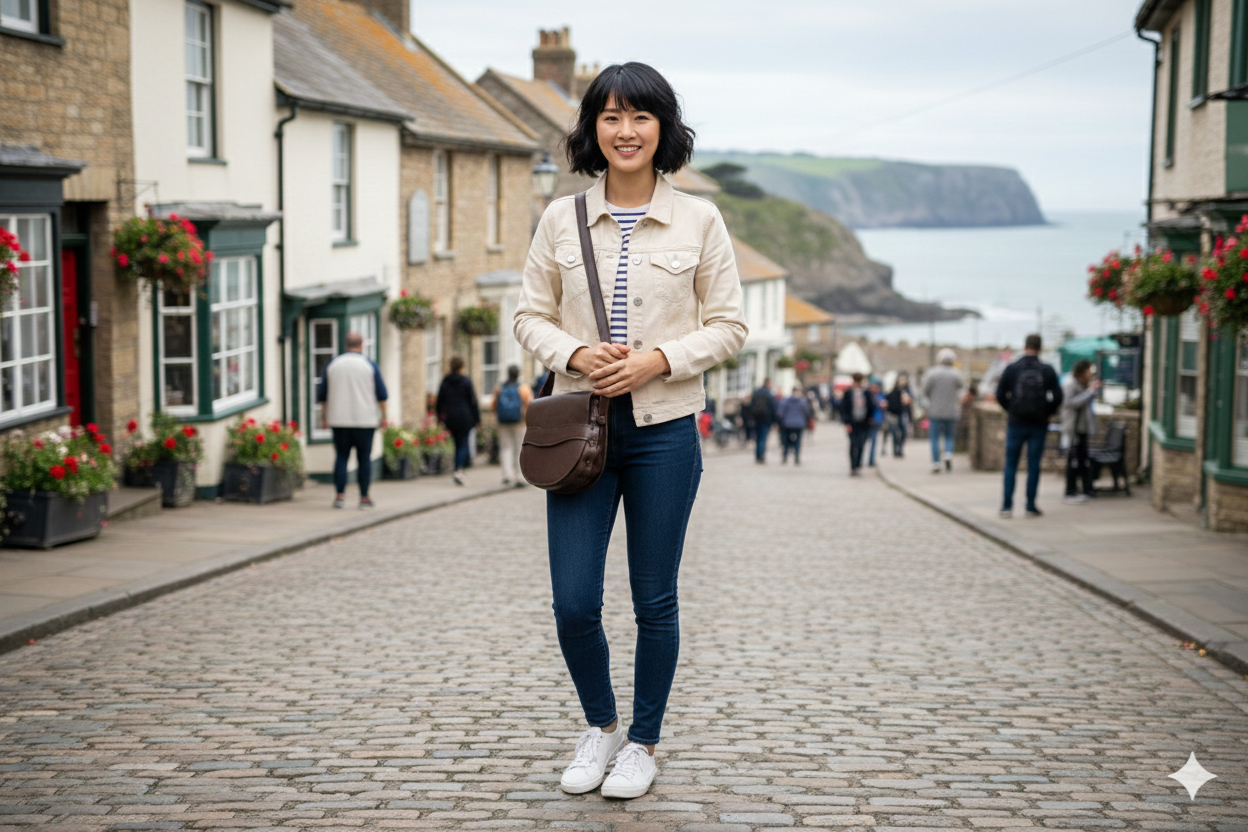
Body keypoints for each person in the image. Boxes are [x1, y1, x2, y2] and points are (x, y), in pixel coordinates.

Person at [512, 62, 747, 800]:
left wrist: (658, 360)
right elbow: (528, 316)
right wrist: (576, 354)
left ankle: (643, 742)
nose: (625, 131)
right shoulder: (560, 219)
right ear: (592, 129)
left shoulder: (700, 220)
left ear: (663, 128)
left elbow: (731, 326)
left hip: (664, 432)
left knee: (655, 600)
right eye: (610, 117)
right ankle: (601, 726)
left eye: (640, 117)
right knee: (574, 601)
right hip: (577, 430)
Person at [316, 331, 387, 510]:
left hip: (339, 419)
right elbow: (382, 395)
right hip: (365, 420)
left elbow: (322, 395)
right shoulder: (369, 365)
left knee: (341, 457)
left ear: (346, 345)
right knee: (364, 459)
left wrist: (324, 417)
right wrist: (384, 417)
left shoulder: (333, 365)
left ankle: (340, 496)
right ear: (361, 344)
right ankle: (364, 498)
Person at [995, 333, 1063, 518]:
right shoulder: (1047, 370)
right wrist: (1046, 411)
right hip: (1038, 424)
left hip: (1016, 422)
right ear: (1040, 348)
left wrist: (1011, 409)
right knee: (1033, 465)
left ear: (1025, 346)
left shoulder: (1012, 368)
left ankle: (1007, 506)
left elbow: (1000, 393)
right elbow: (1058, 397)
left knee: (1011, 464)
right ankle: (1030, 505)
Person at [435, 355, 480, 486]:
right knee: (463, 444)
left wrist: (439, 418)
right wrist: (477, 419)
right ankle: (458, 470)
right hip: (465, 416)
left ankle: (457, 468)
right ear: (461, 367)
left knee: (456, 443)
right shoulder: (466, 381)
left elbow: (439, 401)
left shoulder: (445, 381)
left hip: (451, 417)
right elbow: (473, 401)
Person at [1061, 359, 1100, 504]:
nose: (1091, 374)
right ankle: (1070, 491)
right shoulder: (1071, 384)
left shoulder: (1082, 384)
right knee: (1074, 461)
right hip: (1074, 428)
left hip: (1082, 428)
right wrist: (1089, 392)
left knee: (1083, 460)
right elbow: (1070, 402)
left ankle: (1085, 488)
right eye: (1089, 370)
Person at [922, 348, 964, 473]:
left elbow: (925, 390)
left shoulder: (932, 373)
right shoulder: (956, 373)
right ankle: (948, 453)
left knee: (934, 437)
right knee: (949, 435)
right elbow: (962, 389)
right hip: (951, 410)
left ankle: (936, 463)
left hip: (935, 410)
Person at [492, 364, 532, 487]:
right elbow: (530, 404)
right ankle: (519, 476)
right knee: (519, 448)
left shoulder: (499, 389)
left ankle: (507, 476)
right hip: (519, 422)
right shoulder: (523, 388)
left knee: (505, 448)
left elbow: (492, 406)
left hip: (503, 422)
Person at [839, 372, 872, 475]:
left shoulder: (866, 393)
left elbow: (871, 406)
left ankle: (858, 464)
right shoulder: (848, 393)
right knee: (853, 444)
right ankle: (853, 466)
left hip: (863, 423)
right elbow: (843, 408)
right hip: (852, 423)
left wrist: (870, 419)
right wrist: (846, 422)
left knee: (861, 444)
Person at [776, 385, 813, 465]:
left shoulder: (785, 401)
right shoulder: (803, 402)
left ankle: (785, 456)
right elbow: (807, 413)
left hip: (787, 424)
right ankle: (796, 457)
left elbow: (780, 412)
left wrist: (782, 420)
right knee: (797, 441)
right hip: (799, 424)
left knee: (786, 441)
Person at [885, 373, 914, 459]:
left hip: (903, 413)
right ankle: (896, 450)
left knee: (903, 432)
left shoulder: (908, 391)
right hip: (894, 414)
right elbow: (889, 401)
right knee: (894, 432)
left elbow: (910, 404)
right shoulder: (894, 391)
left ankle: (900, 448)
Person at [749, 378, 777, 463]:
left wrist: (751, 418)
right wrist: (774, 421)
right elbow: (773, 408)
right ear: (768, 383)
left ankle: (757, 455)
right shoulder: (769, 394)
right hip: (766, 419)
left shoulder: (756, 392)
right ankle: (761, 456)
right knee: (763, 438)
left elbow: (751, 406)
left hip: (756, 419)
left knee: (757, 438)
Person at [866, 378, 886, 466]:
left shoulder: (880, 396)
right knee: (865, 441)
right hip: (868, 420)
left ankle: (871, 459)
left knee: (874, 441)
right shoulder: (868, 396)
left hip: (877, 420)